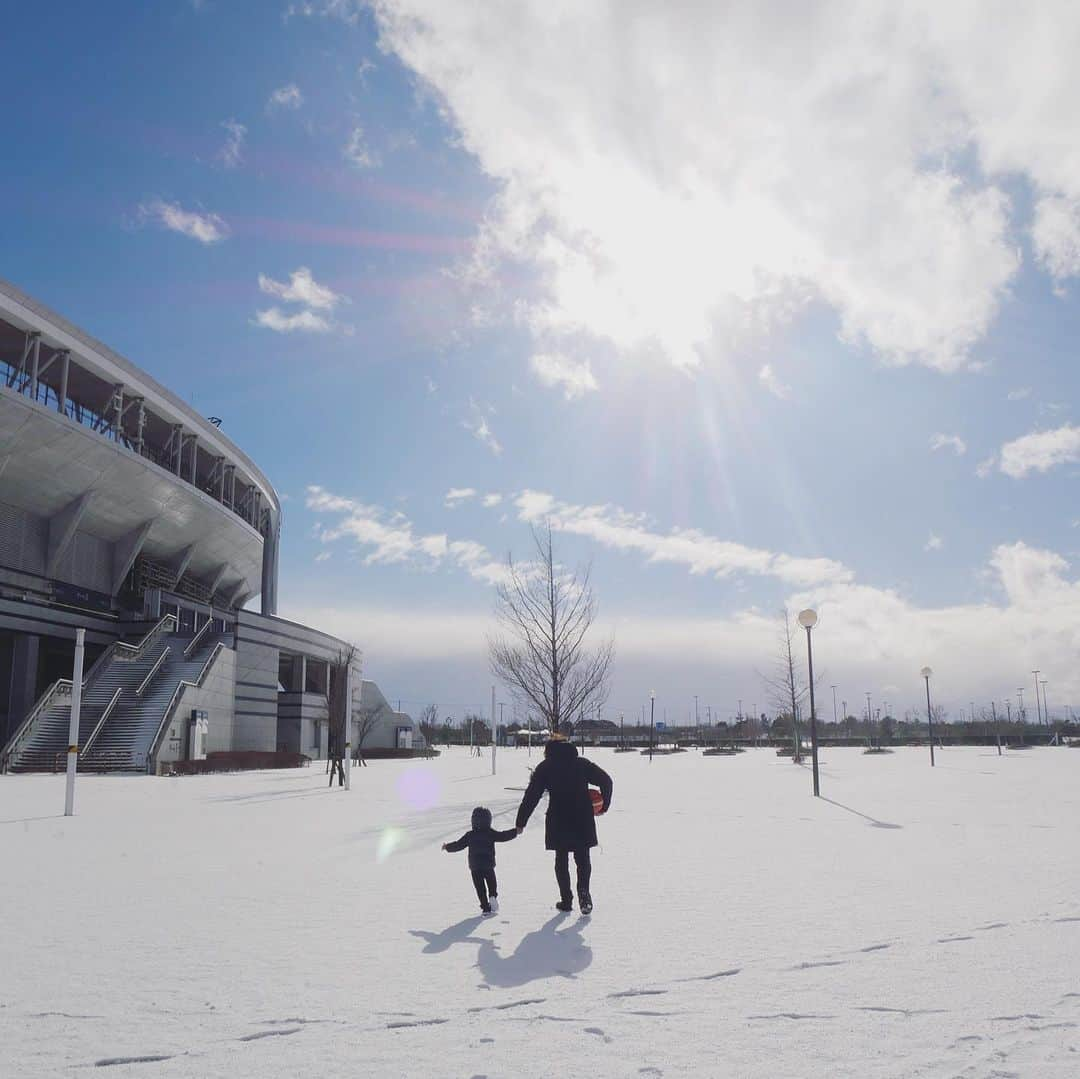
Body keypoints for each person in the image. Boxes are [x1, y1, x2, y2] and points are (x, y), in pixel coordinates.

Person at [515, 734, 613, 915]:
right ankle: (584, 894)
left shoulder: (546, 767)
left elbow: (532, 795)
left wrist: (521, 821)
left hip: (558, 818)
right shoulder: (582, 764)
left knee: (561, 860)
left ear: (549, 750)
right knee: (583, 858)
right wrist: (604, 805)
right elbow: (606, 781)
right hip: (582, 817)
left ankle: (566, 900)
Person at [442, 806, 518, 916]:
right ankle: (492, 896)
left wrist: (447, 847)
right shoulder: (490, 833)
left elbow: (458, 845)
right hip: (488, 865)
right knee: (492, 883)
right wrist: (515, 832)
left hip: (475, 867)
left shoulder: (470, 835)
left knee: (480, 888)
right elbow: (503, 836)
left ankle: (485, 908)